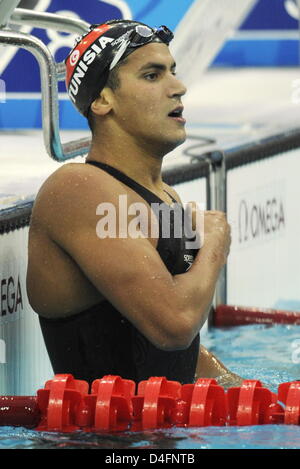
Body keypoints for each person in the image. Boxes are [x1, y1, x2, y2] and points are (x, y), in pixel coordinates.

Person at [26, 19, 243, 387]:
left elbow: (181, 353)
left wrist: (253, 397)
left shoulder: (166, 195)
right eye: (152, 76)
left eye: (172, 71)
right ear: (101, 100)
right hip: (101, 442)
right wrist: (216, 245)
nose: (178, 87)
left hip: (167, 435)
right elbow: (173, 325)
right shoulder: (78, 189)